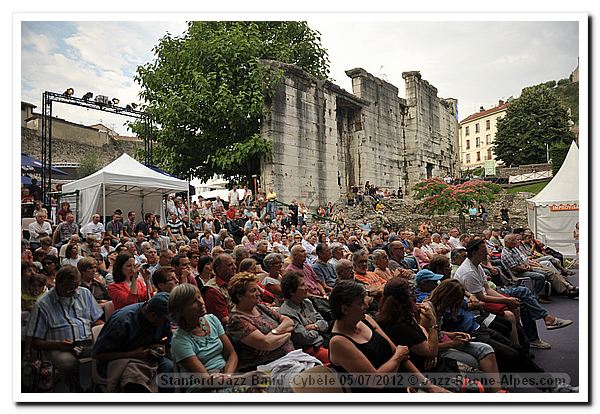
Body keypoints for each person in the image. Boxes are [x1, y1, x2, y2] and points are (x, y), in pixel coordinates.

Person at [328, 280, 446, 393]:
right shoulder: (338, 342)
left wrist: (429, 386)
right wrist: (397, 357)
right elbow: (375, 381)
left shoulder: (367, 320)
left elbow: (400, 354)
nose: (366, 305)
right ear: (345, 309)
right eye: (360, 303)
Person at [457, 239, 572, 349]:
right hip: (477, 303)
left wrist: (508, 298)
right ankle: (523, 342)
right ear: (474, 253)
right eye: (483, 251)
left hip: (487, 294)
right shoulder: (469, 272)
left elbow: (487, 289)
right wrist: (506, 300)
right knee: (521, 295)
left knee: (521, 300)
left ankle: (528, 338)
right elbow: (481, 297)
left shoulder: (476, 265)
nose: (487, 253)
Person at [25, 265, 104, 392]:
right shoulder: (43, 305)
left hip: (86, 341)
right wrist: (58, 345)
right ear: (58, 284)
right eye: (69, 288)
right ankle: (76, 391)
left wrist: (102, 332)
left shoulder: (84, 293)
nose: (74, 291)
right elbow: (36, 342)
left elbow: (97, 320)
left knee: (109, 350)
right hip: (58, 347)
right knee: (68, 364)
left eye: (76, 286)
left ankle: (97, 386)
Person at [422, 279, 504, 392]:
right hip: (439, 350)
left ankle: (497, 391)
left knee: (486, 349)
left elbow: (437, 333)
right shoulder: (427, 314)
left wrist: (453, 334)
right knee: (473, 361)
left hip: (444, 341)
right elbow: (428, 347)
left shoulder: (439, 309)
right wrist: (452, 343)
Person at [168, 283, 252, 392]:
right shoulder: (180, 340)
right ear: (181, 310)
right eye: (194, 301)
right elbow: (206, 381)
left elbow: (231, 354)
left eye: (199, 297)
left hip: (225, 377)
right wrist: (244, 379)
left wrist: (228, 376)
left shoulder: (212, 320)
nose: (201, 302)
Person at [92, 292, 173, 392]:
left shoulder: (162, 318)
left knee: (168, 367)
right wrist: (132, 354)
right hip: (118, 359)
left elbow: (166, 338)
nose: (167, 323)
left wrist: (158, 346)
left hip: (146, 356)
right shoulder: (122, 321)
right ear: (153, 315)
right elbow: (98, 354)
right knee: (134, 377)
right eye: (165, 320)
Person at [226, 272, 295, 372]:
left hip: (289, 358)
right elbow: (267, 344)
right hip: (265, 368)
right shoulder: (237, 320)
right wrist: (287, 334)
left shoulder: (259, 307)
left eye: (258, 289)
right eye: (253, 290)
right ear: (240, 296)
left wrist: (274, 333)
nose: (259, 293)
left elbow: (288, 321)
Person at [278, 271, 330, 364]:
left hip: (324, 340)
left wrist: (314, 327)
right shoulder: (286, 312)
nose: (307, 287)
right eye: (302, 285)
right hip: (310, 350)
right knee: (341, 359)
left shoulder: (306, 302)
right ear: (291, 291)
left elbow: (324, 323)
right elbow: (305, 338)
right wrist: (319, 327)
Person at [203, 254, 237, 325]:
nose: (235, 267)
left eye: (234, 264)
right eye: (230, 265)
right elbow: (224, 319)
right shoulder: (212, 290)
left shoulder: (235, 281)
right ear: (218, 269)